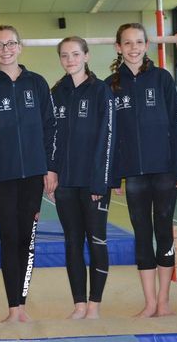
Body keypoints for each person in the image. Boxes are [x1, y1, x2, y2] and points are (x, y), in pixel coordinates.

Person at [106, 23, 177, 318]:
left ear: (146, 45)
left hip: (164, 171)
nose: (133, 48)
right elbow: (110, 136)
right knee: (142, 235)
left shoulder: (162, 79)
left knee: (163, 233)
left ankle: (165, 300)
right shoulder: (111, 86)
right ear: (118, 48)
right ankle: (150, 302)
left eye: (138, 42)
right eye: (127, 43)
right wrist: (114, 176)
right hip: (135, 174)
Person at [0, 25, 57, 322]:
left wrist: (50, 167)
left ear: (20, 47)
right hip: (3, 177)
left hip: (34, 176)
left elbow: (50, 127)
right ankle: (14, 308)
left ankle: (22, 302)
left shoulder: (37, 84)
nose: (5, 49)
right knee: (10, 240)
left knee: (28, 240)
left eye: (10, 43)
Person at [50, 36, 115, 319]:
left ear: (86, 56)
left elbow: (107, 137)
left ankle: (94, 304)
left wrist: (99, 181)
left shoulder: (101, 91)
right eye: (64, 55)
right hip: (65, 182)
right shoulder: (57, 92)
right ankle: (78, 303)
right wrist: (51, 173)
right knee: (72, 242)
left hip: (93, 182)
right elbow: (51, 136)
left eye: (75, 54)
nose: (70, 60)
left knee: (96, 240)